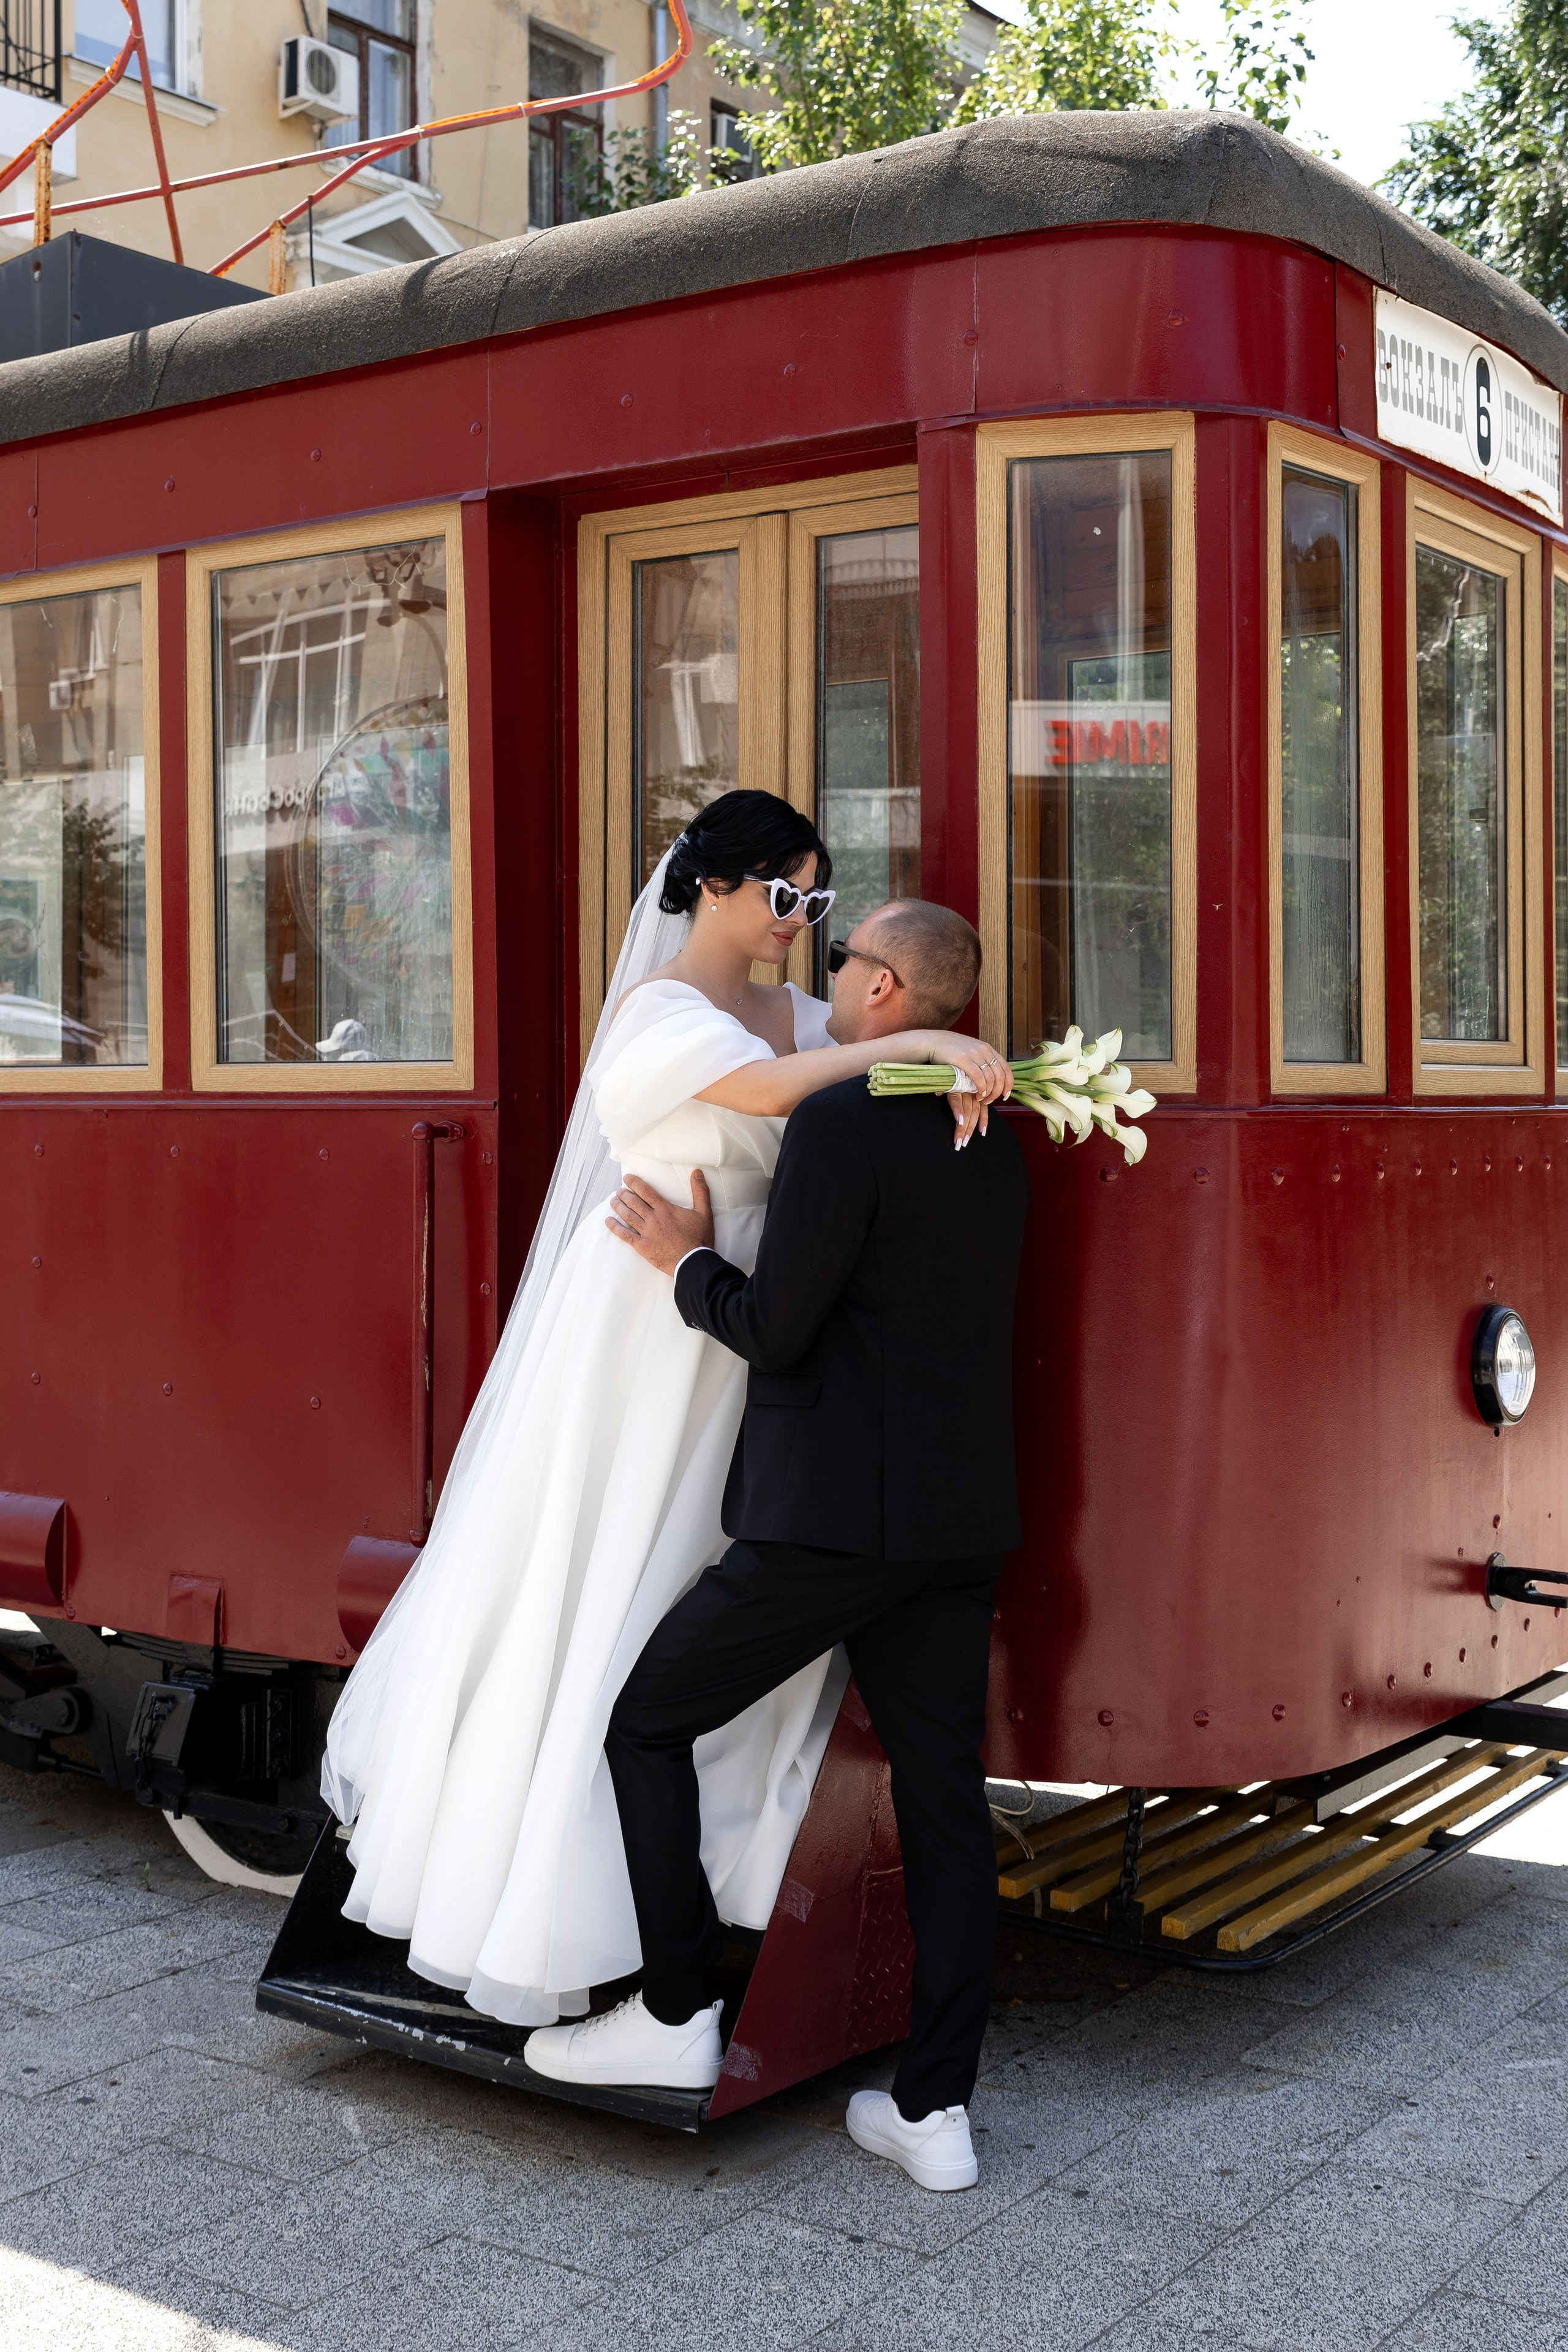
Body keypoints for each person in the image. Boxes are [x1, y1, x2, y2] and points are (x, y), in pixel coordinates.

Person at [319, 793, 1012, 2028]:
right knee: (604, 1585)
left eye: (816, 905)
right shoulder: (661, 1014)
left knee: (703, 1595)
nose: (803, 923)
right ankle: (553, 1903)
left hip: (750, 1323)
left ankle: (703, 1912)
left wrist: (942, 1073)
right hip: (647, 1321)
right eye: (784, 896)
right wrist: (924, 1053)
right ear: (712, 887)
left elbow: (834, 1082)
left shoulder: (808, 1014)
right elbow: (762, 1096)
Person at [524, 900, 1030, 2198]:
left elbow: (775, 1327)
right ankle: (935, 2109)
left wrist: (680, 1260)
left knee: (644, 1723)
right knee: (943, 1804)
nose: (831, 968)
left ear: (881, 991)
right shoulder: (990, 1128)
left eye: (850, 955)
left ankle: (678, 2012)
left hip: (825, 1524)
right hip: (955, 1518)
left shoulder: (841, 1122)